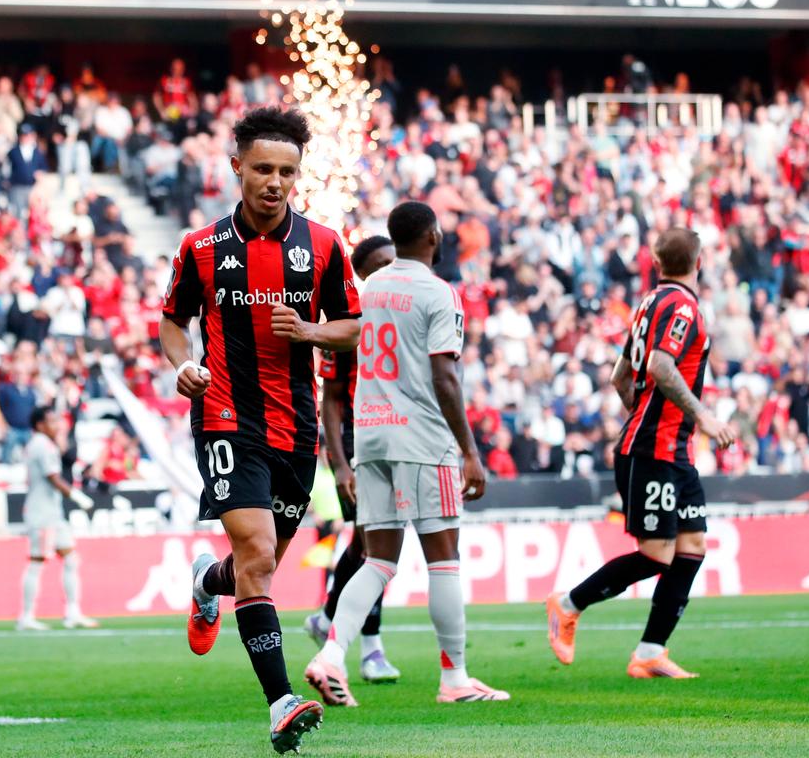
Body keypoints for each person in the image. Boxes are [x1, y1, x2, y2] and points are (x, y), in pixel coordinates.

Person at [159, 106, 361, 754]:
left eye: (287, 172)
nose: (275, 182)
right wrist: (183, 365)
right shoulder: (200, 247)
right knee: (259, 554)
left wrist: (310, 330)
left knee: (258, 562)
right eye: (263, 169)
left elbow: (354, 327)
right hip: (224, 415)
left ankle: (206, 582)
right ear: (237, 167)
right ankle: (280, 703)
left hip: (296, 425)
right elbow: (172, 321)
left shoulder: (324, 245)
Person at [303, 201, 509, 707]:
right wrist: (470, 451)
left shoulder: (368, 290)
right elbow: (445, 376)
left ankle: (331, 656)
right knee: (444, 560)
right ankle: (455, 678)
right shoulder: (438, 292)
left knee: (377, 560)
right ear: (433, 236)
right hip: (422, 438)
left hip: (371, 435)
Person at [547, 228, 736, 679]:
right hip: (653, 450)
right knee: (656, 555)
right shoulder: (683, 307)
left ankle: (651, 651)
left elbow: (620, 376)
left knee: (691, 546)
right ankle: (568, 603)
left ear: (656, 263)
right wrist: (701, 417)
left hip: (672, 450)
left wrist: (648, 415)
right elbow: (659, 365)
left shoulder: (649, 303)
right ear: (700, 262)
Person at [303, 235, 401, 683]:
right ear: (362, 275)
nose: (389, 269)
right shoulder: (348, 325)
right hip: (359, 440)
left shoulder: (408, 312)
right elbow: (332, 400)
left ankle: (327, 616)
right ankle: (371, 650)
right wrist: (340, 464)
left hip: (398, 437)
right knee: (375, 544)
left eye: (393, 261)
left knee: (368, 543)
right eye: (379, 265)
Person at [17, 408, 96, 631]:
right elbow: (53, 477)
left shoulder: (44, 444)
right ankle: (26, 616)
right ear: (40, 425)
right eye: (52, 421)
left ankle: (72, 612)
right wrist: (77, 496)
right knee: (37, 561)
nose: (57, 425)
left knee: (71, 559)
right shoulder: (41, 444)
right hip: (41, 514)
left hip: (52, 512)